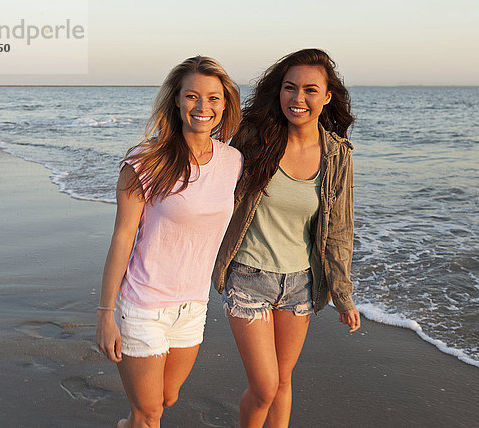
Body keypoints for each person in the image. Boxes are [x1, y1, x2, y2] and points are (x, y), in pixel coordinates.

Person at [212, 48, 361, 428]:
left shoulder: (336, 155)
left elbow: (339, 231)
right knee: (264, 386)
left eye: (310, 90)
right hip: (248, 277)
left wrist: (343, 294)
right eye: (289, 88)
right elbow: (208, 172)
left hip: (300, 284)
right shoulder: (252, 137)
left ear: (327, 97)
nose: (298, 99)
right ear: (278, 91)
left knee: (282, 381)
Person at [96, 56, 242, 428]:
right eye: (192, 96)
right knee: (149, 414)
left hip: (192, 306)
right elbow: (122, 237)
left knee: (166, 398)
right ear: (176, 100)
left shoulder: (234, 162)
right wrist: (105, 314)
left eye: (213, 98)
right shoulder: (145, 161)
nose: (202, 107)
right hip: (143, 304)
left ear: (225, 104)